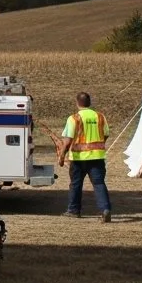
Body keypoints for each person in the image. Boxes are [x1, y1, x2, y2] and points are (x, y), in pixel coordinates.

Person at [57, 92, 112, 222]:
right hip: (97, 157)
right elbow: (106, 134)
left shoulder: (74, 118)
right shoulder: (100, 117)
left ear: (77, 103)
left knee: (76, 184)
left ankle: (74, 210)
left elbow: (68, 140)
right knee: (99, 184)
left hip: (78, 159)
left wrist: (62, 155)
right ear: (90, 103)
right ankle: (105, 209)